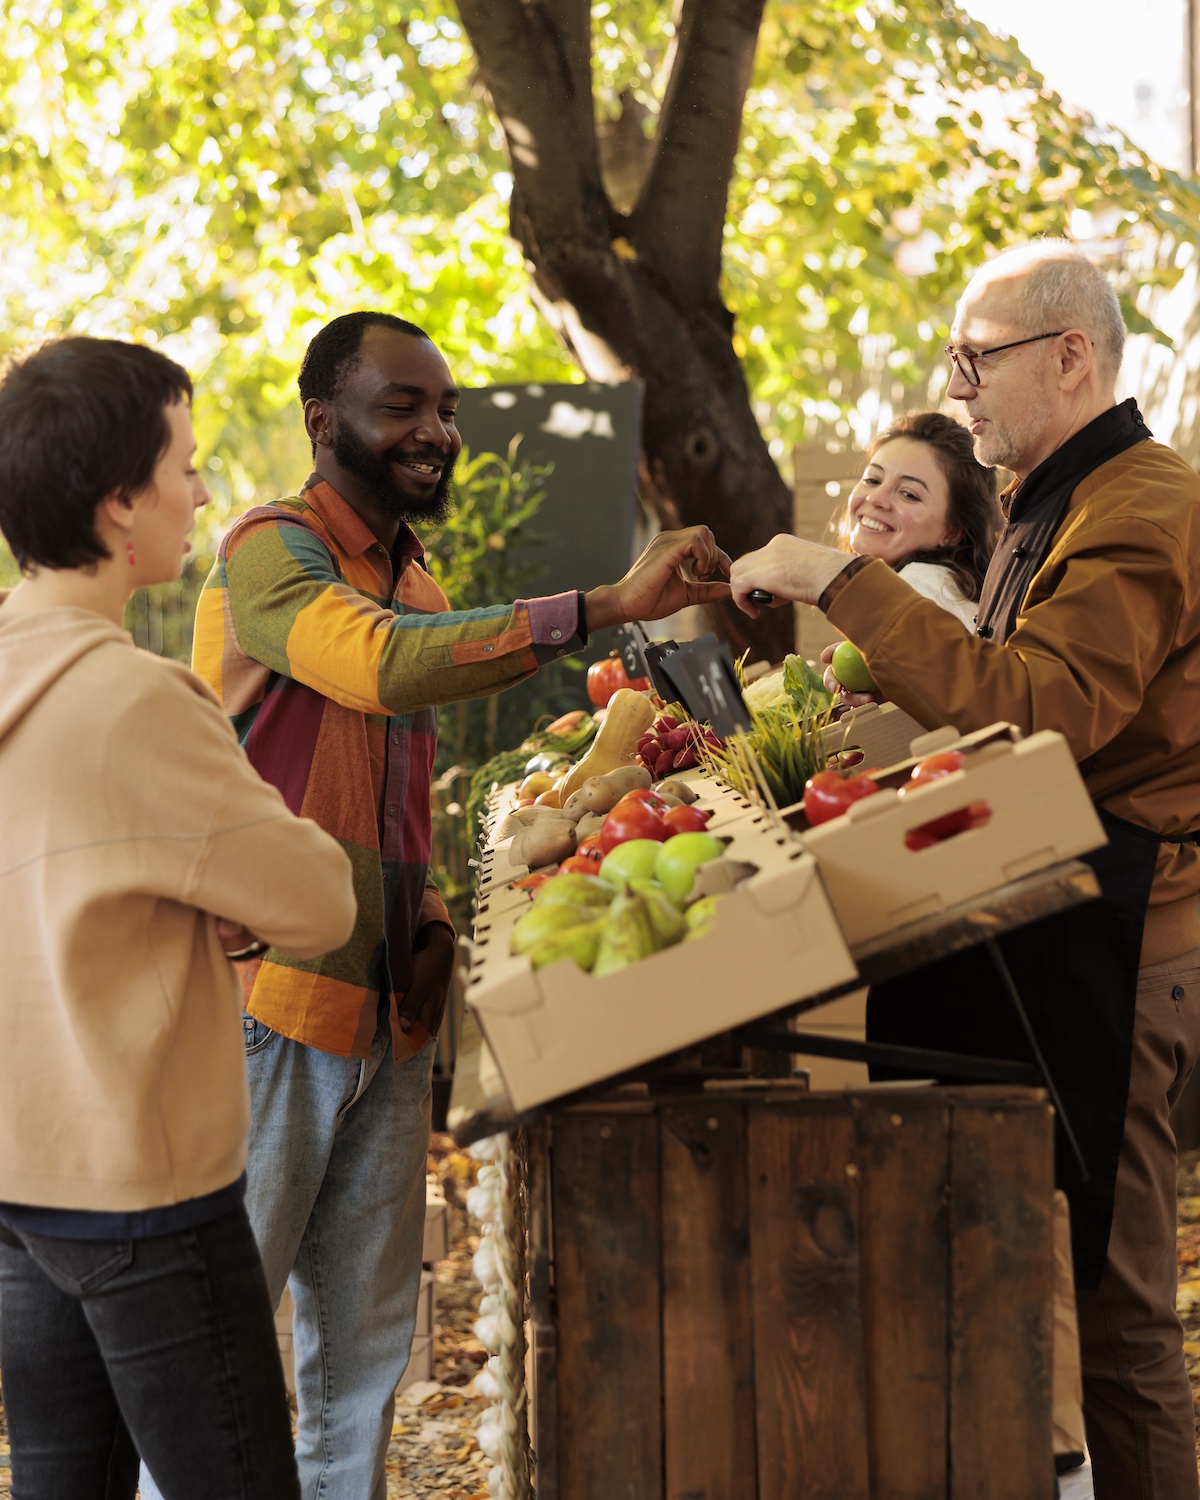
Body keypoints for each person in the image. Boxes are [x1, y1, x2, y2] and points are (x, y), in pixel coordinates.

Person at [140, 311, 730, 1500]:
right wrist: (602, 607)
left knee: (361, 1360)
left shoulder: (412, 570)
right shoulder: (267, 550)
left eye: (446, 409)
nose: (435, 431)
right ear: (324, 420)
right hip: (270, 1007)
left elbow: (389, 788)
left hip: (385, 1015)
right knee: (217, 1349)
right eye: (401, 405)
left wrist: (433, 929)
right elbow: (380, 663)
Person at [729, 240, 1200, 1498]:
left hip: (1133, 945)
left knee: (1123, 1310)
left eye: (975, 360)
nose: (961, 386)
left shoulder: (1142, 507)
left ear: (1070, 356)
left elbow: (1043, 706)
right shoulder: (1062, 501)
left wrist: (841, 580)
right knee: (1063, 1279)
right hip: (1060, 925)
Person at [0, 337, 358, 1499]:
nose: (202, 492)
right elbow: (316, 901)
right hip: (143, 1191)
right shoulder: (143, 701)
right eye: (186, 466)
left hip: (17, 1179)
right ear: (118, 504)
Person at [836, 409, 998, 628]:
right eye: (872, 480)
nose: (876, 499)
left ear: (952, 531)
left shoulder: (917, 588)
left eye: (909, 494)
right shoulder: (949, 588)